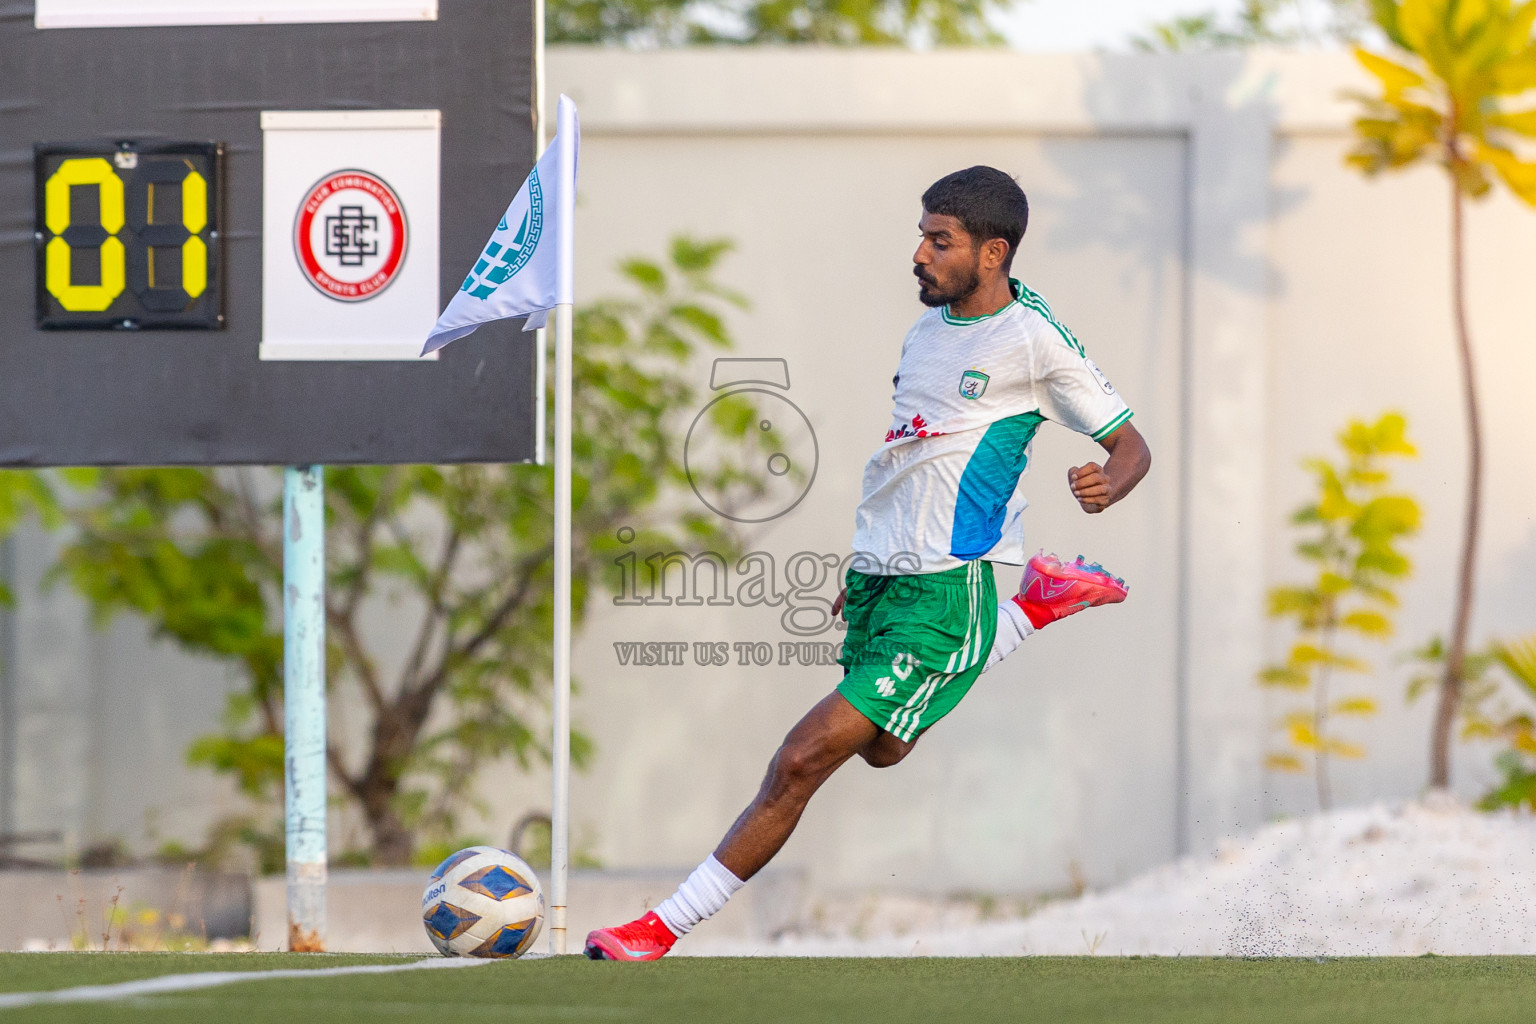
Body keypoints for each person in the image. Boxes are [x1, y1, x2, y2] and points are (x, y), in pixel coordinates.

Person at [584, 166, 1152, 960]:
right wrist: (868, 568)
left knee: (800, 758)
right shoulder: (925, 332)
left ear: (993, 253)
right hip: (884, 576)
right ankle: (1039, 606)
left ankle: (660, 927)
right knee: (884, 748)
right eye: (921, 234)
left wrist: (1109, 484)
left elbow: (1130, 444)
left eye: (938, 240)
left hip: (950, 585)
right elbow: (909, 459)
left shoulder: (1035, 340)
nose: (919, 253)